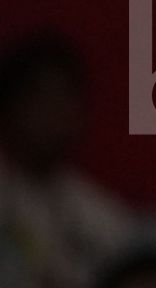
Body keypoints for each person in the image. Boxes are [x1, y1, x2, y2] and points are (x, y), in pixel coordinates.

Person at [0, 28, 135, 288]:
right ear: (9, 105)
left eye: (66, 100)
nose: (56, 115)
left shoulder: (100, 213)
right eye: (41, 98)